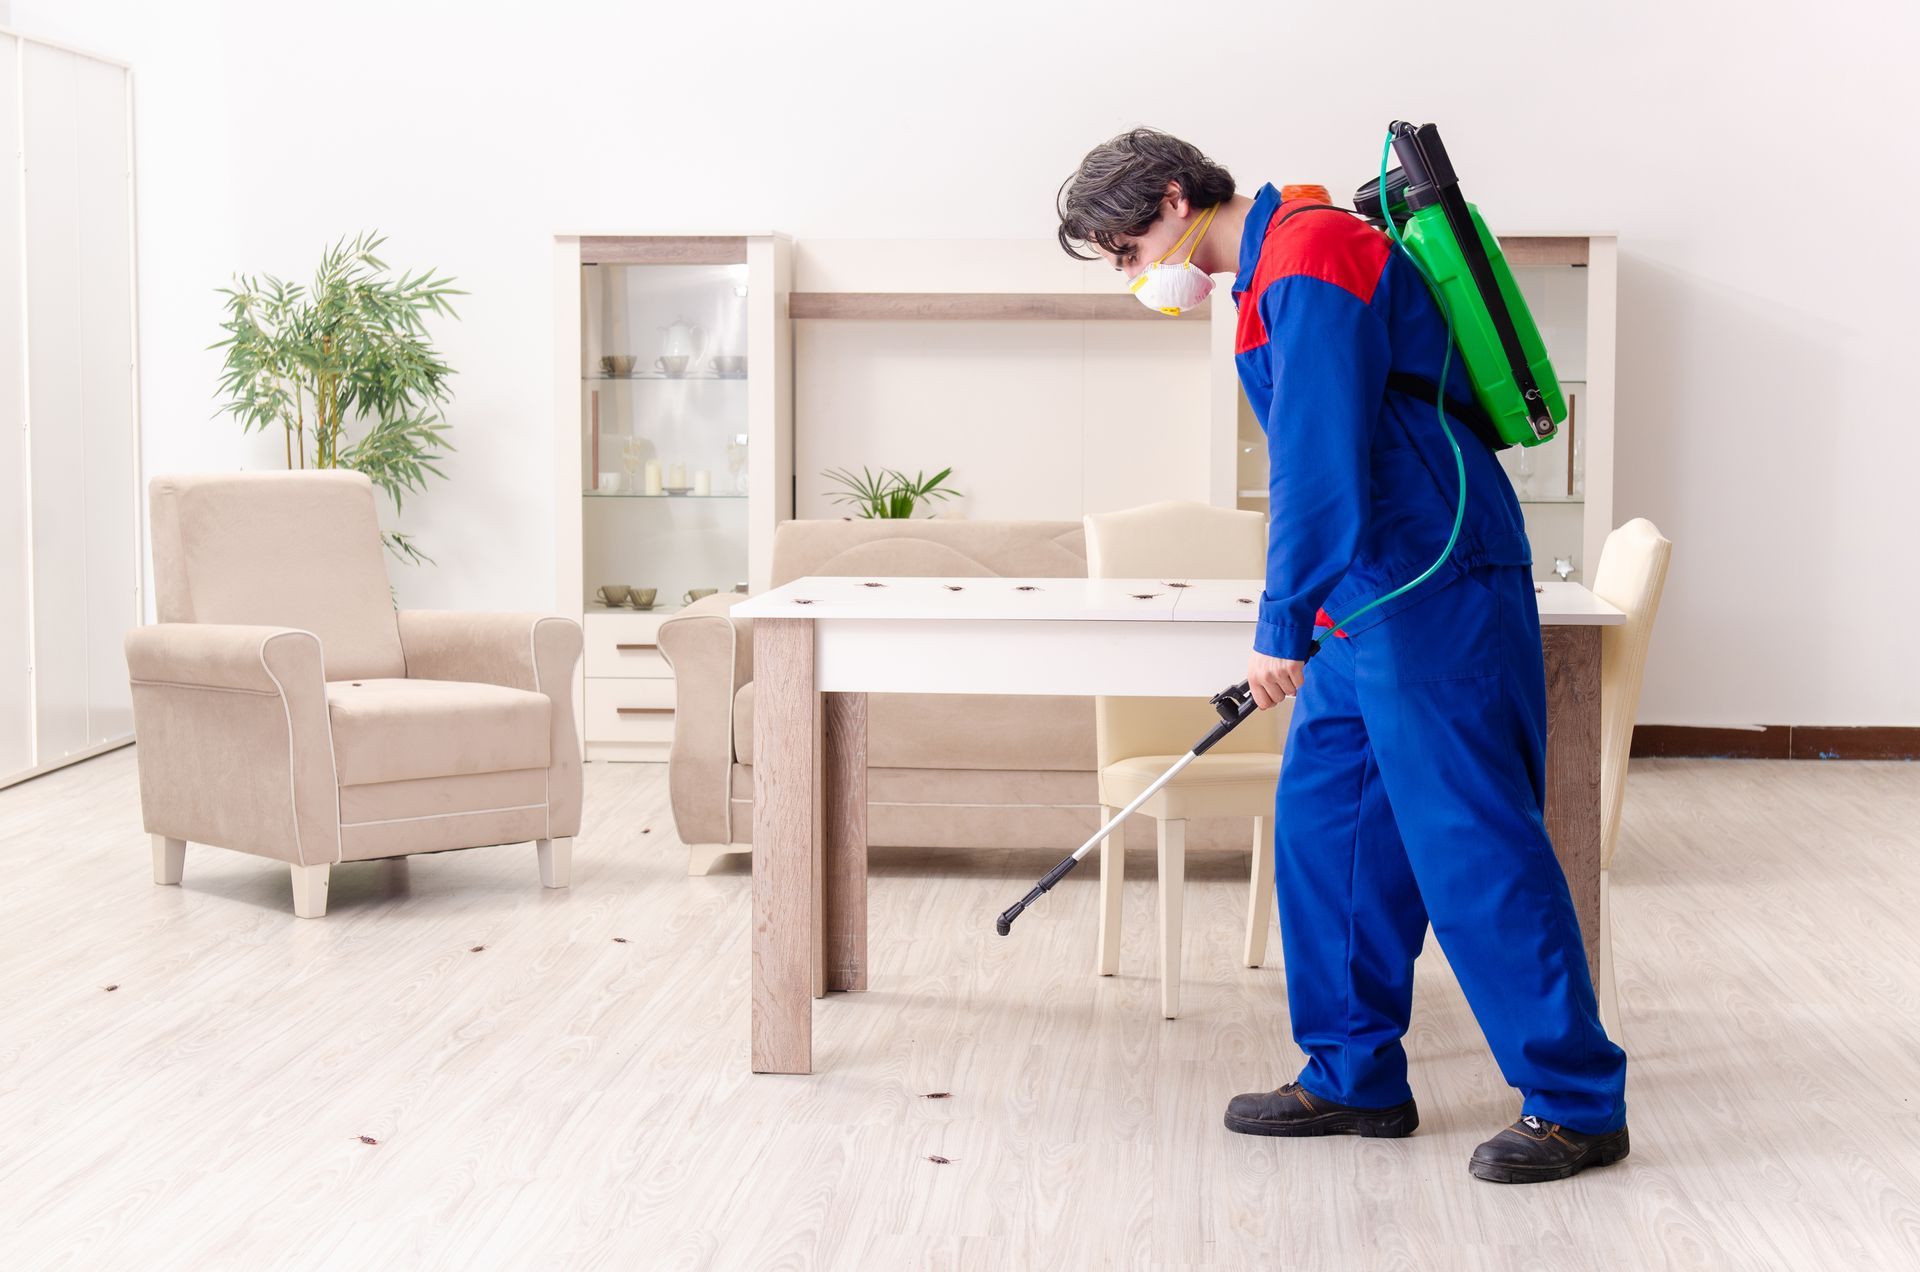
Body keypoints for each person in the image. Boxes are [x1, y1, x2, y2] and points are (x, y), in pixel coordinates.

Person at [1055, 128, 1629, 1183]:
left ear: (1174, 201)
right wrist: (1314, 615)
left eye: (1129, 253)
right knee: (1332, 830)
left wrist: (1279, 626)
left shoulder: (1313, 252)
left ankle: (1577, 1103)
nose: (1136, 279)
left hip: (1432, 576)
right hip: (1368, 594)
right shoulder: (1273, 266)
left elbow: (1318, 462)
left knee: (1472, 845)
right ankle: (1355, 1073)